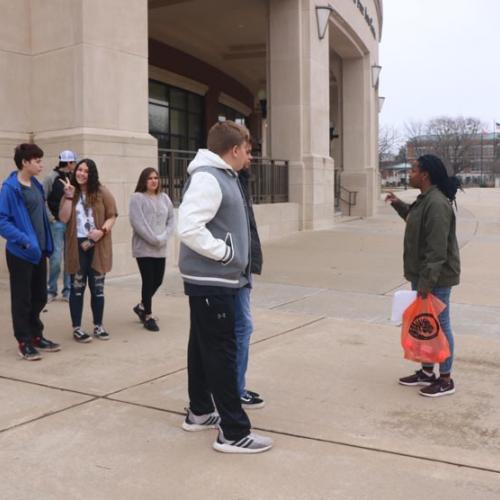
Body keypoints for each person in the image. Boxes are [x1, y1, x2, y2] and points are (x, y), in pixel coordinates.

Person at [177, 120, 272, 453]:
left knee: (203, 349)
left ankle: (200, 412)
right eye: (247, 150)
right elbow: (187, 226)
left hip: (215, 281)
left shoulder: (221, 176)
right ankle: (233, 432)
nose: (249, 155)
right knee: (221, 353)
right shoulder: (208, 177)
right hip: (213, 281)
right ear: (234, 150)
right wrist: (226, 253)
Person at [386, 154, 461, 397]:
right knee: (426, 324)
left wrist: (426, 284)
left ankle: (446, 378)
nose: (410, 173)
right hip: (423, 274)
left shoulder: (437, 204)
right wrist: (398, 204)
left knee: (441, 324)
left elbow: (437, 250)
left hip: (436, 277)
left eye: (414, 170)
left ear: (425, 174)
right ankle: (427, 372)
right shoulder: (425, 200)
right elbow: (413, 218)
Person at [0, 143, 59, 360]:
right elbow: (2, 221)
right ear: (25, 162)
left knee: (40, 296)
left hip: (39, 251)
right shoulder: (10, 188)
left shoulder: (36, 184)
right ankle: (24, 341)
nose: (41, 165)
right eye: (37, 161)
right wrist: (25, 241)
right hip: (21, 253)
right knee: (22, 299)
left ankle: (36, 335)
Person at [59, 158, 118, 343]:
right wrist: (68, 196)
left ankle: (98, 325)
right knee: (77, 288)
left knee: (97, 289)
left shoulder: (101, 191)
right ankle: (77, 328)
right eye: (79, 169)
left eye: (86, 171)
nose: (81, 173)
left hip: (97, 245)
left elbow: (112, 214)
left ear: (91, 174)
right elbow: (63, 218)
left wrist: (102, 231)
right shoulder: (70, 192)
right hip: (76, 246)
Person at [235, 158, 265, 409]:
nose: (251, 156)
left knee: (241, 329)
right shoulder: (225, 181)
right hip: (232, 272)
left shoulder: (240, 181)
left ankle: (236, 388)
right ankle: (234, 390)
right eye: (247, 150)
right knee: (241, 329)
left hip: (242, 269)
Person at [129, 167, 175, 332]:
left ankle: (141, 305)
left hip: (160, 248)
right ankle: (147, 315)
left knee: (158, 280)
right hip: (144, 248)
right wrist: (154, 239)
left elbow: (171, 220)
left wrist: (163, 237)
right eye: (150, 178)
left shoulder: (164, 198)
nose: (154, 181)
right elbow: (138, 223)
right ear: (144, 181)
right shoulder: (137, 198)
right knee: (148, 281)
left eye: (156, 177)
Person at [44, 150, 77, 302]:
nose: (75, 165)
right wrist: (51, 218)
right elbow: (43, 199)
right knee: (56, 258)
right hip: (56, 223)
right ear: (69, 163)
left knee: (69, 257)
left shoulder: (74, 177)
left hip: (71, 224)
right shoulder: (51, 177)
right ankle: (51, 290)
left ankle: (68, 290)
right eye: (73, 162)